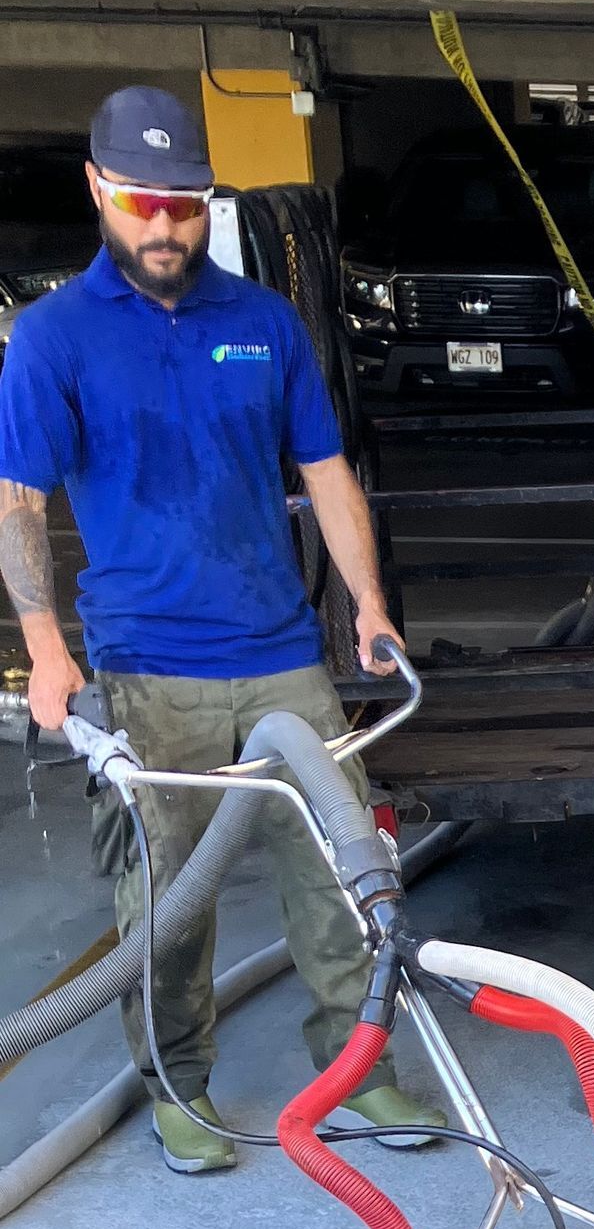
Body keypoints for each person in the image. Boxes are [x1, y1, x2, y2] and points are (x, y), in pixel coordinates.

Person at [0, 86, 443, 1172]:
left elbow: (327, 475)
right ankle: (179, 1089)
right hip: (148, 669)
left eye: (188, 205)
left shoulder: (262, 323)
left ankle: (360, 1071)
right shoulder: (52, 338)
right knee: (164, 902)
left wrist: (369, 606)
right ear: (101, 189)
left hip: (283, 656)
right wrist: (49, 652)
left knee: (337, 875)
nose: (166, 227)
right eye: (146, 202)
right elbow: (19, 502)